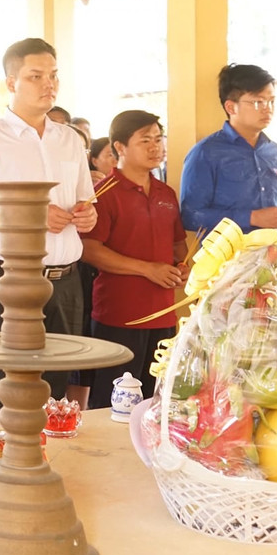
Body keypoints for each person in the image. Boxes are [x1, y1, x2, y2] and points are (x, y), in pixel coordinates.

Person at [0, 39, 95, 421]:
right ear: (12, 83)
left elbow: (86, 202)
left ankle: (46, 466)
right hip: (8, 282)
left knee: (56, 387)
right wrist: (31, 216)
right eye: (36, 76)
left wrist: (87, 216)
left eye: (53, 76)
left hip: (64, 282)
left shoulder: (70, 139)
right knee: (2, 389)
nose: (48, 84)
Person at [82, 111, 187, 407]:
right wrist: (147, 270)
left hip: (165, 312)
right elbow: (89, 250)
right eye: (145, 141)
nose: (155, 147)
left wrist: (184, 267)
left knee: (156, 399)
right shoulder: (104, 193)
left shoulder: (166, 192)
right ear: (120, 147)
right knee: (113, 400)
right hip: (121, 314)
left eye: (158, 139)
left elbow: (178, 246)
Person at [180, 63, 277, 235]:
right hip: (226, 260)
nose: (268, 108)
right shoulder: (206, 153)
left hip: (272, 256)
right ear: (231, 107)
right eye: (258, 102)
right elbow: (190, 216)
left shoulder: (274, 152)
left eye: (271, 101)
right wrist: (252, 217)